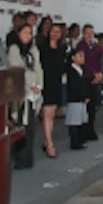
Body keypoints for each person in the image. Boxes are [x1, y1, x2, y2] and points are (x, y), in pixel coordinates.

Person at [7, 23, 43, 169]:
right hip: (21, 93)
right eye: (25, 32)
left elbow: (38, 68)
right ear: (18, 34)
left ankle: (28, 158)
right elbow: (18, 70)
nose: (28, 35)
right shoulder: (14, 49)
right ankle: (19, 158)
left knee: (30, 128)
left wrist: (39, 85)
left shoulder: (33, 50)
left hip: (33, 94)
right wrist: (31, 83)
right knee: (20, 126)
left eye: (30, 33)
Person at [37, 23, 66, 159]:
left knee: (52, 114)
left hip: (56, 83)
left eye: (58, 31)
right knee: (47, 114)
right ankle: (50, 144)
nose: (55, 33)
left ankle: (46, 140)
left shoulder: (61, 49)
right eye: (53, 31)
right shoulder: (41, 47)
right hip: (45, 83)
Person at [75, 24, 103, 140]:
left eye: (91, 33)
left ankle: (90, 129)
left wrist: (99, 73)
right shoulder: (81, 46)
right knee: (84, 106)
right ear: (83, 33)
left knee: (92, 106)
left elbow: (98, 61)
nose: (89, 35)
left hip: (94, 79)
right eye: (87, 33)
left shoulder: (95, 46)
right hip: (85, 78)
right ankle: (82, 132)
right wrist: (93, 73)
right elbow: (83, 63)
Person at [65, 49, 90, 150]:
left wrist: (86, 96)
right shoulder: (71, 71)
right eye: (80, 56)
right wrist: (82, 96)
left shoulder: (80, 70)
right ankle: (74, 142)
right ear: (73, 58)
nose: (83, 58)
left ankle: (81, 140)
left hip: (81, 99)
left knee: (81, 119)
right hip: (74, 99)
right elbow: (74, 87)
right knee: (74, 121)